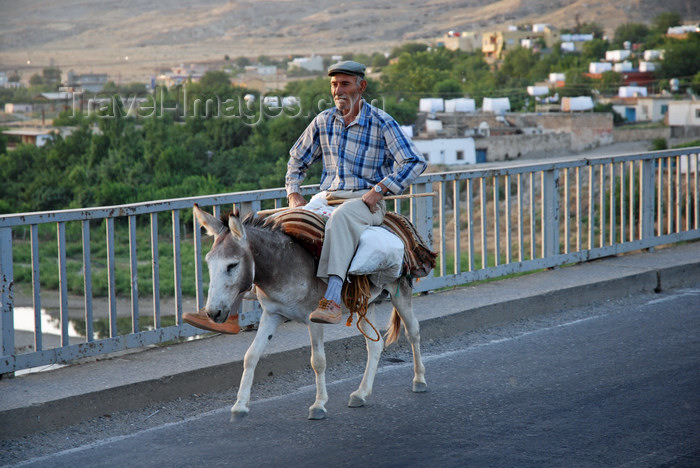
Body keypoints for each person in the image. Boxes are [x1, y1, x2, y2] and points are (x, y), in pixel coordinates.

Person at [286, 60, 426, 325]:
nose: (338, 90)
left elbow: (415, 161)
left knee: (340, 220)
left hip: (366, 201)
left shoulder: (382, 122)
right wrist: (294, 193)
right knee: (279, 224)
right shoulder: (323, 121)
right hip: (326, 198)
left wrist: (380, 189)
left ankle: (332, 300)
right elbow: (296, 160)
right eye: (334, 84)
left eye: (345, 84)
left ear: (361, 86)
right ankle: (232, 309)